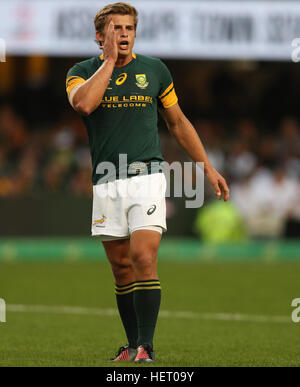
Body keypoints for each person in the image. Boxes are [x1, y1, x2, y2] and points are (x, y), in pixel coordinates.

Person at [66, 2, 229, 363]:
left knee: (143, 256)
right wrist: (108, 62)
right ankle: (130, 344)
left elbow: (178, 123)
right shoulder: (80, 72)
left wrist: (206, 167)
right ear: (99, 36)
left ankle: (147, 347)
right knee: (121, 268)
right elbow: (85, 106)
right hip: (106, 181)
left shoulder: (155, 70)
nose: (123, 34)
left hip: (147, 176)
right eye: (115, 29)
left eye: (128, 28)